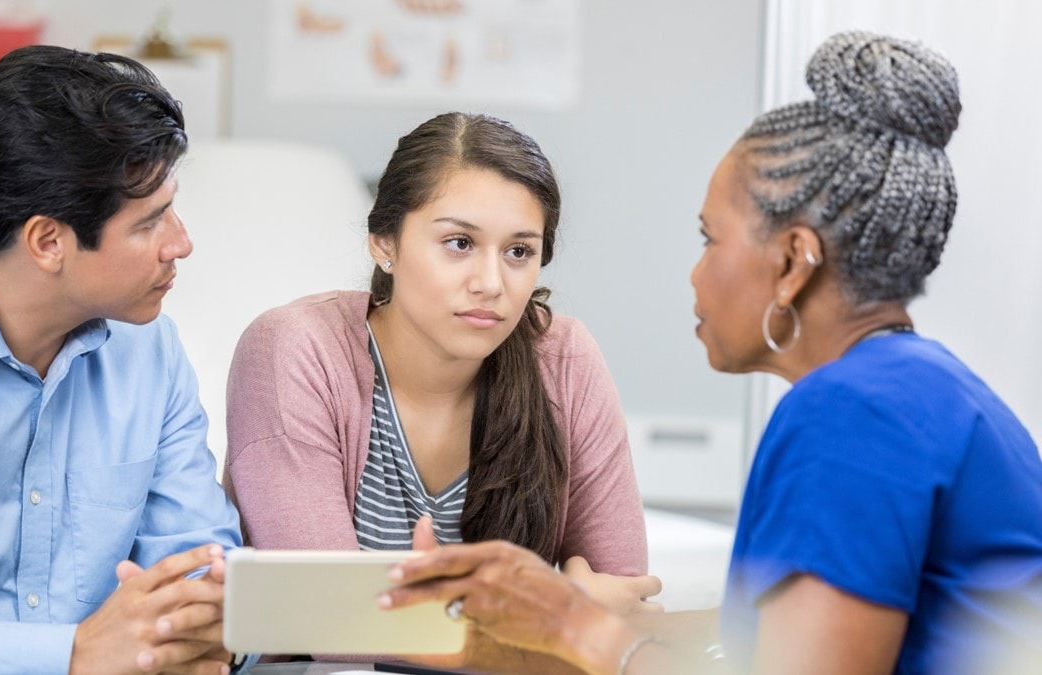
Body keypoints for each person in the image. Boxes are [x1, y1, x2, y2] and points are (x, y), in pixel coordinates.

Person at [380, 31, 1042, 675]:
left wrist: (569, 623)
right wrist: (538, 612)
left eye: (710, 238)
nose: (695, 275)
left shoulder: (849, 413)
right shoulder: (920, 389)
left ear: (792, 262)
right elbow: (759, 638)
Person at [0, 45, 254, 674]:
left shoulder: (149, 349)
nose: (182, 243)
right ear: (47, 241)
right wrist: (70, 655)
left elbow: (198, 561)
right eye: (150, 222)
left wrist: (205, 635)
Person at [224, 112, 657, 662]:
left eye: (518, 251)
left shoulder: (563, 359)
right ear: (384, 243)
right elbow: (327, 624)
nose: (491, 283)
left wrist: (573, 618)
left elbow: (627, 603)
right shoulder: (294, 349)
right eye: (458, 242)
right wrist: (557, 613)